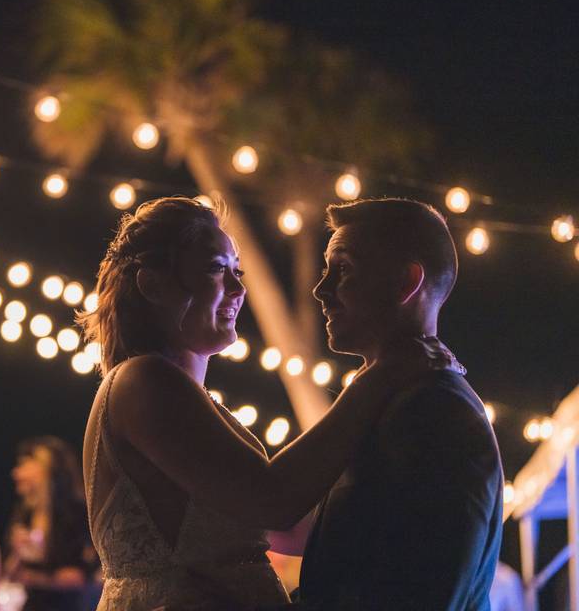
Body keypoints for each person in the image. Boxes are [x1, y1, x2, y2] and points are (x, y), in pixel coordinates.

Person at [79, 196, 459, 610]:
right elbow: (271, 500)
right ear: (153, 284)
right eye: (216, 268)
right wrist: (379, 376)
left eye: (237, 271)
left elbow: (295, 530)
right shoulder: (143, 380)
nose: (239, 288)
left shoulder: (193, 403)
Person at [295, 198, 503, 609]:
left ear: (408, 282)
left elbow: (419, 592)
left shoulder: (435, 413)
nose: (321, 290)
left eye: (343, 269)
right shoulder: (395, 402)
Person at [5, 436, 98, 611]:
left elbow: (79, 577)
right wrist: (18, 553)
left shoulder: (77, 513)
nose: (16, 473)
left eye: (24, 464)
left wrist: (34, 578)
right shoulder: (25, 513)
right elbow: (11, 574)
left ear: (47, 466)